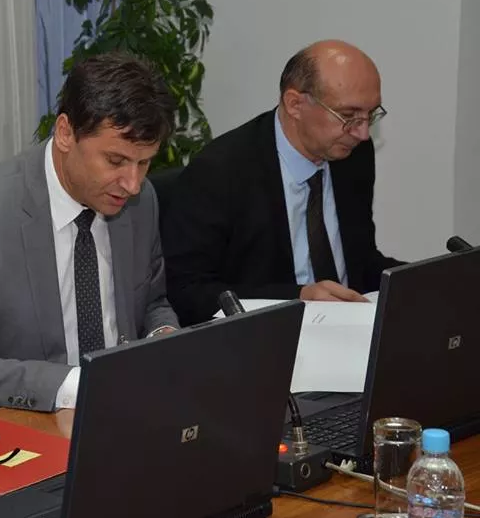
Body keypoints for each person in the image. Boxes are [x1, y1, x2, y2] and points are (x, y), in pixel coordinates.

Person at [0, 52, 180, 412]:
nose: (132, 184)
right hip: (25, 422)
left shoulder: (140, 201)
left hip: (126, 413)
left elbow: (151, 303)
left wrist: (163, 338)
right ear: (66, 133)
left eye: (144, 163)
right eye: (115, 161)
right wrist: (75, 386)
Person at [162, 39, 403, 326]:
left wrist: (422, 279)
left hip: (349, 330)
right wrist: (297, 298)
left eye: (371, 114)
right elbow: (187, 291)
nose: (362, 133)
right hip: (263, 337)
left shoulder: (353, 155)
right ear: (295, 104)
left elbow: (359, 259)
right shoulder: (219, 172)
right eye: (349, 116)